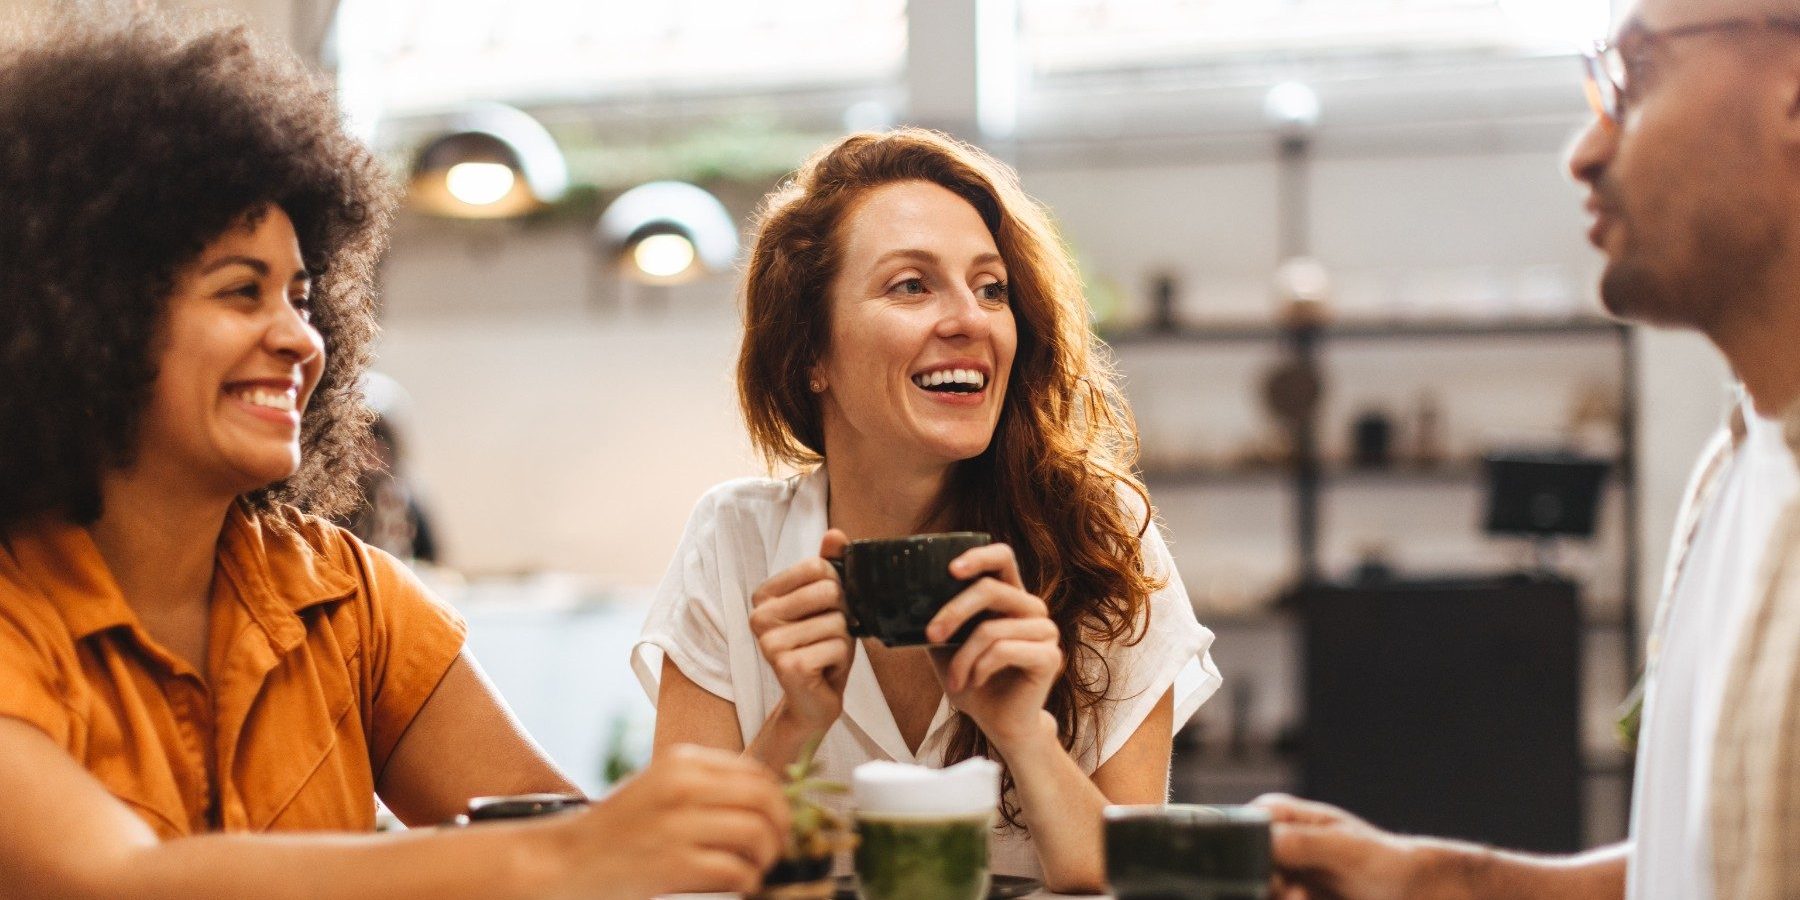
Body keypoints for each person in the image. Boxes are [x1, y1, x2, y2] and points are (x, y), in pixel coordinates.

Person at [0, 12, 786, 900]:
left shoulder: (344, 597)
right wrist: (567, 856)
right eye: (241, 292)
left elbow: (575, 846)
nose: (300, 339)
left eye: (302, 297)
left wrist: (788, 729)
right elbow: (114, 880)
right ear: (87, 317)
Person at [1257, 0, 1800, 898]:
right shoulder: (1736, 467)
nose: (1583, 153)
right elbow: (1718, 865)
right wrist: (1443, 878)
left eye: (1635, 77)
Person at [634, 127, 1222, 893]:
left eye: (991, 289)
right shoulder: (735, 541)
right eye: (912, 286)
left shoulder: (1104, 542)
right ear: (810, 352)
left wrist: (1025, 734)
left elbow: (1132, 887)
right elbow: (678, 878)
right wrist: (796, 722)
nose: (971, 321)